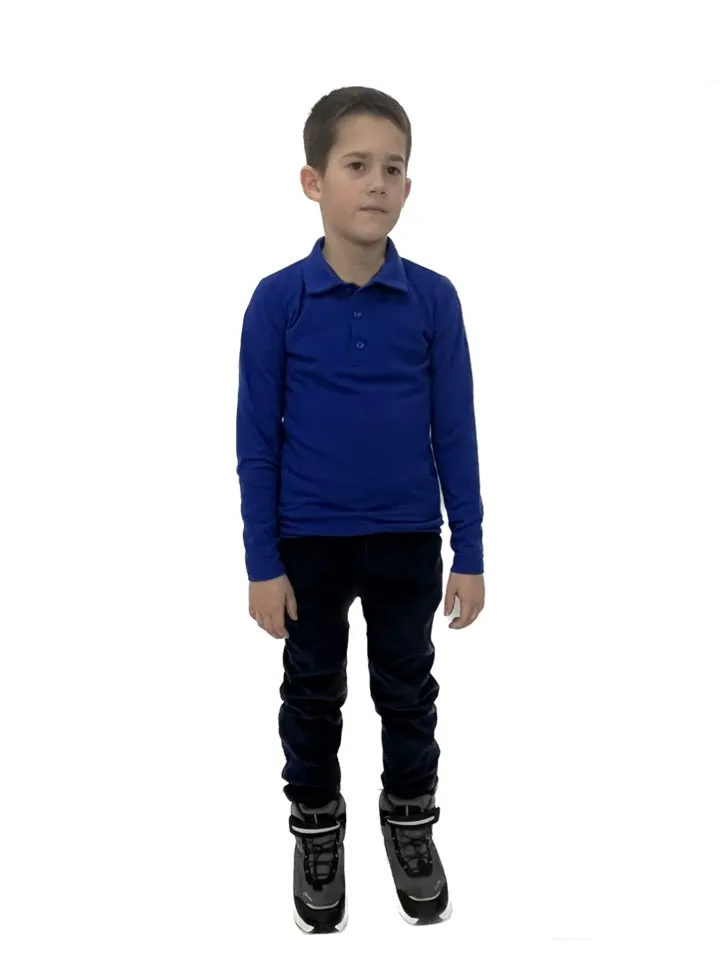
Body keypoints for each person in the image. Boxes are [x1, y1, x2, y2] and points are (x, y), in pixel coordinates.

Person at [235, 86, 485, 933]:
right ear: (313, 182)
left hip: (409, 537)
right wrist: (262, 562)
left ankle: (410, 818)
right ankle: (316, 827)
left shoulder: (434, 299)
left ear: (409, 186)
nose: (378, 182)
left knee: (407, 691)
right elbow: (256, 442)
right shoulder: (278, 301)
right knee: (312, 693)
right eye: (357, 165)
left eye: (394, 168)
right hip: (308, 541)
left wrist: (469, 550)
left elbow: (455, 430)